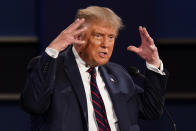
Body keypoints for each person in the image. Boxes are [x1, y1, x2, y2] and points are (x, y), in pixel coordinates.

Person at [21, 6, 168, 131]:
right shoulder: (51, 67)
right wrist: (53, 49)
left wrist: (153, 63)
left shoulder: (118, 74)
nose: (106, 44)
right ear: (78, 37)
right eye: (98, 35)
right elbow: (34, 105)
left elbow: (152, 111)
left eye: (111, 37)